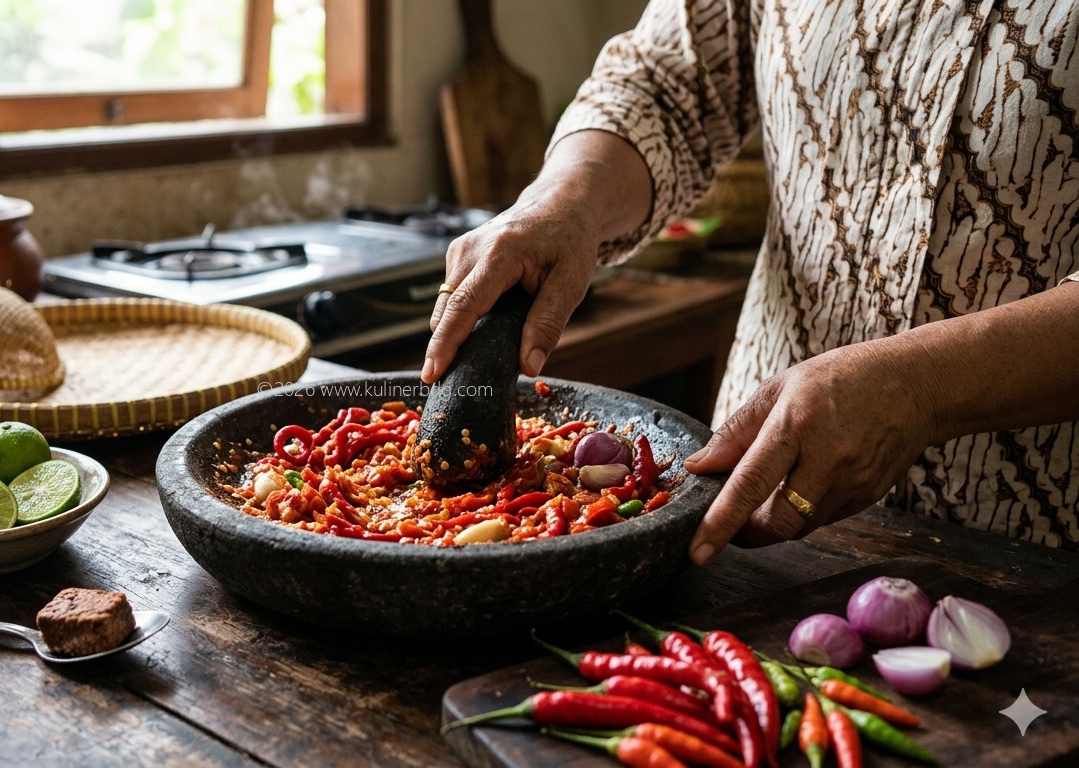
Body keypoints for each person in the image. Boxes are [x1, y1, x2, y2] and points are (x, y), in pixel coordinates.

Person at [421, 0, 1079, 562]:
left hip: (1037, 546)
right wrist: (568, 199)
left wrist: (921, 386)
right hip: (757, 497)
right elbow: (666, 82)